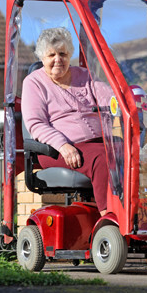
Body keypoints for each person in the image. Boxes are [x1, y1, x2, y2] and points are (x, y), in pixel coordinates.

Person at [21, 27, 111, 215]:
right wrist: (63, 145)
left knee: (126, 151)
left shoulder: (84, 75)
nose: (58, 59)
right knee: (103, 159)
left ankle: (142, 210)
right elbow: (36, 124)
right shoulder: (33, 83)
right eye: (51, 55)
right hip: (57, 149)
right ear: (42, 58)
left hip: (97, 143)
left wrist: (133, 100)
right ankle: (109, 217)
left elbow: (110, 99)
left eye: (62, 53)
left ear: (69, 54)